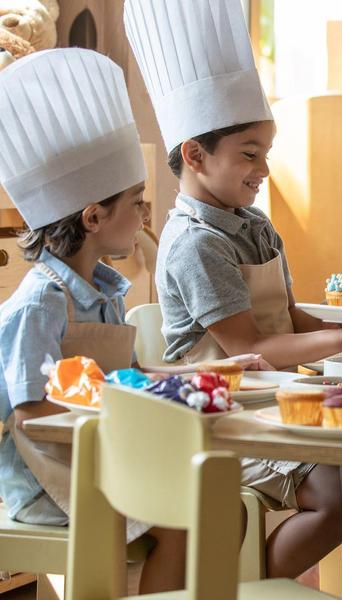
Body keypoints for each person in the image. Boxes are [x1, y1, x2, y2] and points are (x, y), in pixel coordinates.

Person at [123, 0, 342, 585]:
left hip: (280, 398)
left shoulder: (254, 223)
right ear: (195, 155)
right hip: (226, 417)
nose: (262, 170)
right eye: (249, 156)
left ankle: (299, 589)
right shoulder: (195, 244)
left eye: (266, 154)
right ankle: (242, 591)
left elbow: (288, 317)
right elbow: (249, 343)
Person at [0, 48, 185, 593]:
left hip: (95, 457)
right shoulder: (41, 303)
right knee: (178, 521)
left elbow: (126, 377)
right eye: (138, 203)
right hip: (43, 479)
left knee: (211, 503)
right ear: (93, 216)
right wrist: (118, 406)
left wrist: (192, 384)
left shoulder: (104, 293)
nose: (146, 216)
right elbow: (32, 412)